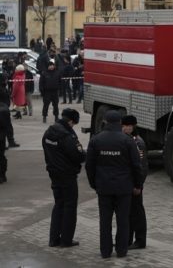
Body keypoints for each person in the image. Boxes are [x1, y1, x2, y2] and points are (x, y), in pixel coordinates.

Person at [86, 110, 143, 259]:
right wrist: (138, 185)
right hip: (124, 188)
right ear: (119, 123)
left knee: (104, 221)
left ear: (105, 122)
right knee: (123, 220)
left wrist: (94, 184)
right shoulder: (127, 140)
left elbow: (89, 165)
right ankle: (121, 250)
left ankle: (105, 251)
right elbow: (136, 165)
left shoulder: (96, 140)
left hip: (104, 187)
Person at [42, 108, 86, 247]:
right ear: (71, 121)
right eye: (74, 124)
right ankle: (66, 240)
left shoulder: (49, 132)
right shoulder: (67, 135)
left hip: (53, 173)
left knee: (59, 204)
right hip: (67, 175)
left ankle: (53, 239)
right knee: (70, 206)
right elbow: (77, 156)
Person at [121, 115, 148, 250]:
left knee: (137, 213)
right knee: (128, 213)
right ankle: (127, 239)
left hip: (135, 185)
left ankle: (140, 240)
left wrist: (138, 185)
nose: (125, 128)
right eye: (123, 126)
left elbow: (142, 167)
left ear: (133, 127)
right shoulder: (125, 140)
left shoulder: (138, 142)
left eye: (127, 126)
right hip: (128, 184)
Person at [40, 60, 61, 124]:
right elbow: (41, 83)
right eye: (50, 66)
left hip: (55, 91)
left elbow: (60, 82)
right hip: (47, 92)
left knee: (56, 105)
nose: (51, 67)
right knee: (46, 105)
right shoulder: (44, 73)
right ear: (48, 67)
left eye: (52, 65)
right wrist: (42, 92)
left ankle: (56, 117)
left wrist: (60, 90)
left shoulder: (57, 73)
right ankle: (44, 116)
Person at [0, 102, 11, 183]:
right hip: (2, 136)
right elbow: (8, 126)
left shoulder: (3, 109)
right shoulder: (4, 108)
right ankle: (2, 175)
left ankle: (2, 175)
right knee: (1, 156)